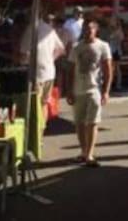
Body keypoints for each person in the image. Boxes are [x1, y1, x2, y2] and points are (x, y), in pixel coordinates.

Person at [66, 19, 112, 167]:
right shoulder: (76, 47)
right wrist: (69, 90)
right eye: (85, 30)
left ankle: (90, 154)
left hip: (94, 90)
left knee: (92, 122)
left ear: (96, 30)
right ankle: (83, 151)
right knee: (79, 123)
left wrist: (106, 91)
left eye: (90, 30)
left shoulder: (103, 46)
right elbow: (70, 70)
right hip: (78, 89)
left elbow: (108, 69)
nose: (87, 32)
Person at [20, 12, 65, 110]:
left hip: (37, 74)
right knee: (43, 103)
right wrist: (51, 59)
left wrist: (23, 62)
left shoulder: (31, 29)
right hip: (49, 72)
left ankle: (37, 125)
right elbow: (62, 49)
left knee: (35, 104)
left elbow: (23, 54)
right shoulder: (50, 30)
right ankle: (44, 125)